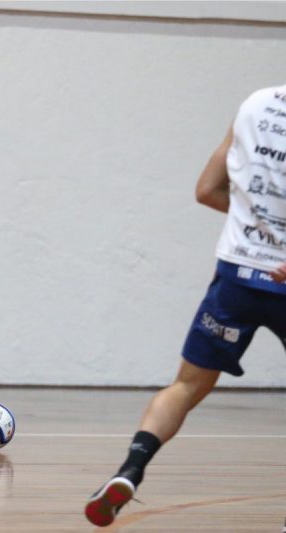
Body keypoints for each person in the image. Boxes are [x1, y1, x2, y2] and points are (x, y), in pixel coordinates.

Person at [85, 83, 286, 526]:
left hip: (237, 277)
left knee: (187, 386)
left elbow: (207, 190)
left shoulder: (257, 104)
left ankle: (130, 470)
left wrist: (253, 224)